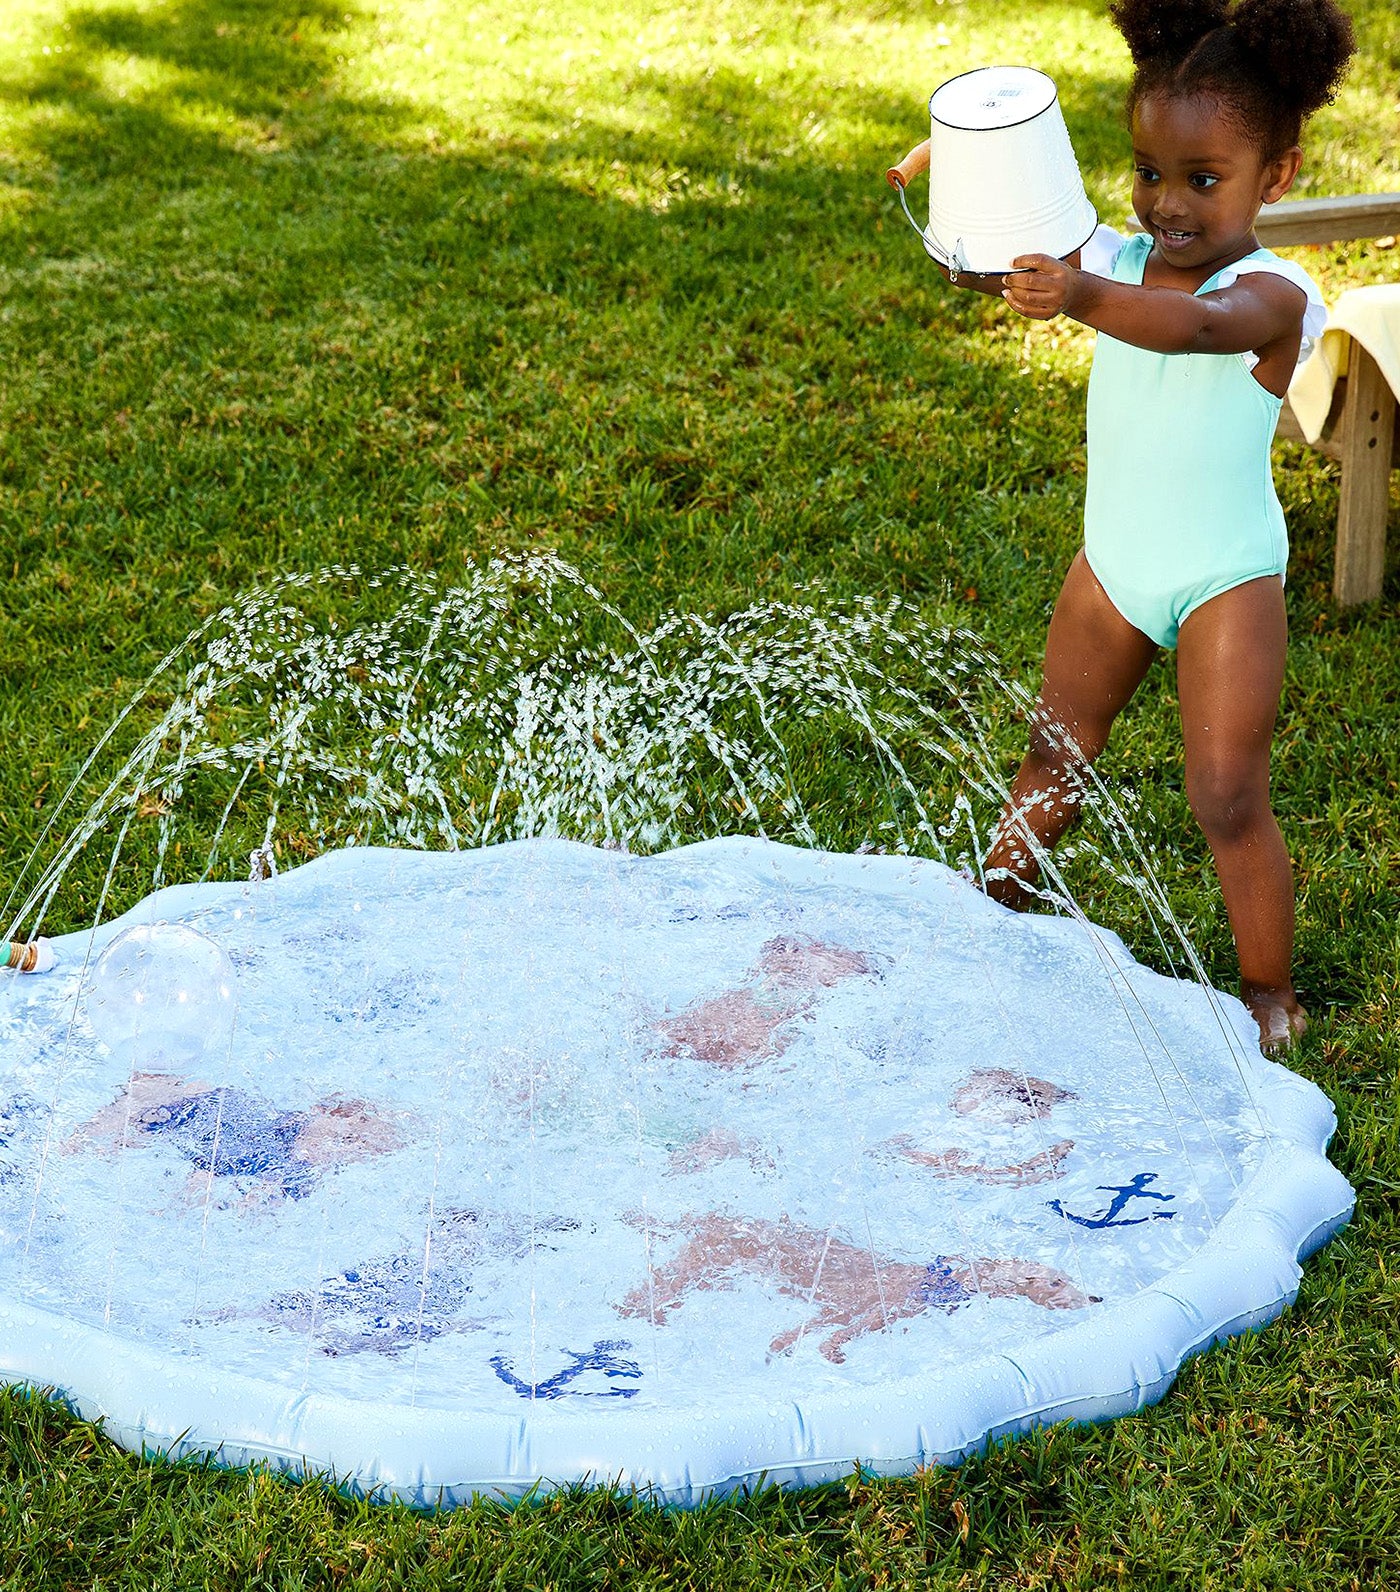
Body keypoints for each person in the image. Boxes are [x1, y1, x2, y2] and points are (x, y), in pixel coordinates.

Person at [922, 0, 1355, 1052]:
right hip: (1110, 564)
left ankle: (1264, 985)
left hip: (1221, 577)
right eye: (1147, 173)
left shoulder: (1272, 294)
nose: (1165, 204)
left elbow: (1193, 326)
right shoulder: (1108, 261)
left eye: (1201, 179)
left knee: (1222, 793)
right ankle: (991, 912)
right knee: (1050, 752)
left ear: (1276, 175)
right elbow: (1011, 266)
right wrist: (964, 229)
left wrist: (1073, 292)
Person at [617, 1212, 1098, 1363]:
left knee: (741, 1238)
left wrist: (824, 1335)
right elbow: (877, 1312)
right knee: (736, 1238)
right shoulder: (944, 1283)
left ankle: (651, 1270)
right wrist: (830, 1337)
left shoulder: (950, 1282)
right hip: (858, 1273)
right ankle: (646, 1287)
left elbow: (871, 1313)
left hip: (853, 1271)